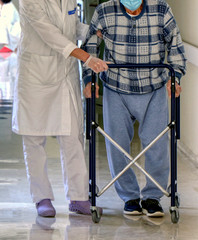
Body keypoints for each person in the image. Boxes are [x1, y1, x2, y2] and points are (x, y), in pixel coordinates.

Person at [82, 0, 186, 217]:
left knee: (156, 143)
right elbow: (90, 46)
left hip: (153, 86)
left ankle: (152, 197)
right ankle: (129, 197)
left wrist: (175, 76)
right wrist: (87, 80)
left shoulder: (161, 9)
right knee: (117, 144)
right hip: (116, 86)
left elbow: (175, 43)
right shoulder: (104, 11)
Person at [12, 0, 108, 218]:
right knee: (34, 139)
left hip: (64, 74)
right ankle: (41, 197)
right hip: (35, 74)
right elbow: (50, 34)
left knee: (72, 135)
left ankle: (78, 197)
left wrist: (93, 31)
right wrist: (87, 58)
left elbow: (71, 27)